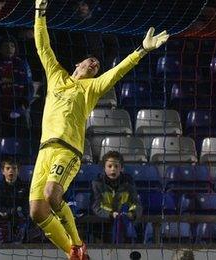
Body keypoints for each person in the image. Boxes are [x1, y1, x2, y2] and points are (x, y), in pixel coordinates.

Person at [29, 0, 168, 259]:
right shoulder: (56, 76)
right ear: (76, 66)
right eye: (90, 61)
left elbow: (117, 72)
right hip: (44, 151)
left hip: (67, 151)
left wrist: (141, 50)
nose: (94, 64)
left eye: (96, 66)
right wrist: (40, 11)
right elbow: (42, 45)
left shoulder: (90, 89)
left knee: (51, 194)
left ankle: (78, 243)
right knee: (37, 211)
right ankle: (76, 255)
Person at [0, 36, 34, 138]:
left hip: (17, 111)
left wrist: (23, 105)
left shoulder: (22, 64)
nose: (9, 49)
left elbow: (29, 87)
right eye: (6, 46)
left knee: (19, 142)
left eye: (12, 46)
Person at [91, 151, 140, 243]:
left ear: (121, 168)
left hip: (124, 222)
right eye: (109, 166)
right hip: (104, 224)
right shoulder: (97, 184)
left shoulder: (128, 182)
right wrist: (110, 214)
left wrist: (132, 213)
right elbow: (96, 207)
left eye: (116, 166)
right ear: (104, 168)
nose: (113, 169)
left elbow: (136, 203)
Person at [0, 157, 29, 243]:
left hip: (20, 219)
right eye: (8, 168)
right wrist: (10, 211)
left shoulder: (25, 187)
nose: (11, 171)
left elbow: (26, 206)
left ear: (18, 170)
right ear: (3, 171)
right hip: (3, 220)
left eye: (14, 168)